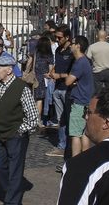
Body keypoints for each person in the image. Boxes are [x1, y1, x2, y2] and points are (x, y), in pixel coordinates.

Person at [0, 53, 39, 205]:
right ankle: (11, 192)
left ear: (9, 70)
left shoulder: (21, 88)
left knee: (15, 170)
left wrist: (19, 130)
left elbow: (33, 117)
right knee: (0, 167)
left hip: (16, 136)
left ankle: (12, 201)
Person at [56, 35, 94, 156]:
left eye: (72, 43)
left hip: (79, 101)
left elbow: (68, 82)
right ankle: (85, 160)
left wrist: (64, 77)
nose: (70, 45)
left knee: (75, 134)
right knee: (84, 133)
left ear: (78, 46)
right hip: (85, 100)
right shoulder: (85, 61)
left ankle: (75, 162)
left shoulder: (80, 62)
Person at [46, 26, 73, 157]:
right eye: (56, 37)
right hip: (57, 87)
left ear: (67, 37)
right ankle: (62, 145)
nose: (57, 39)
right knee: (61, 119)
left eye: (59, 37)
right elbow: (57, 63)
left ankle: (71, 145)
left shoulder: (72, 50)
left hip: (68, 88)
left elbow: (74, 71)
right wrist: (52, 72)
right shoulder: (57, 49)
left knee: (70, 118)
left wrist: (60, 75)